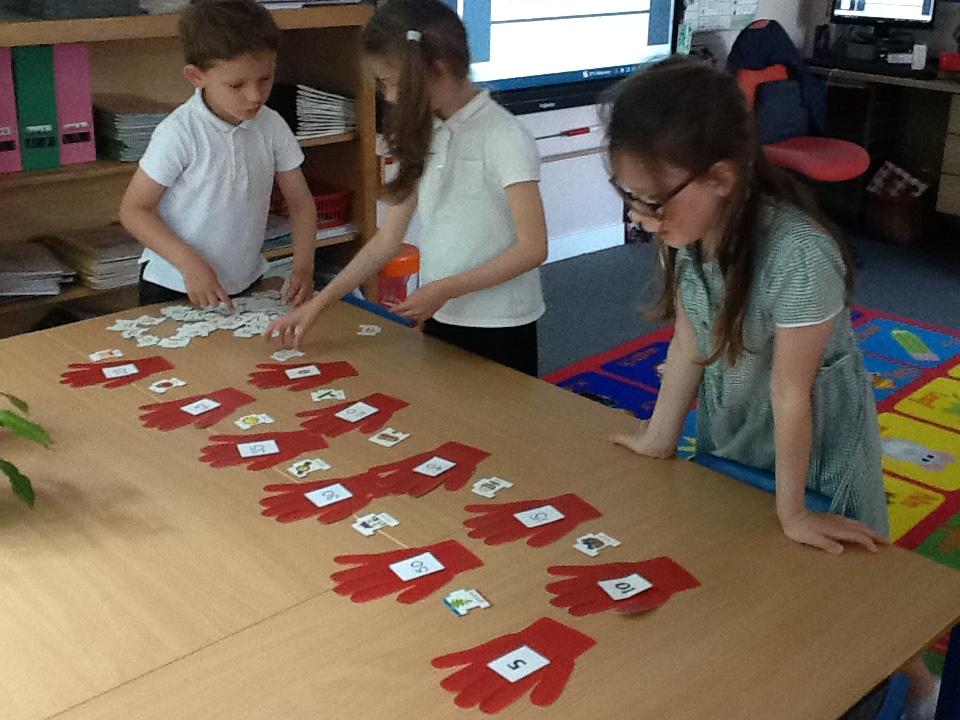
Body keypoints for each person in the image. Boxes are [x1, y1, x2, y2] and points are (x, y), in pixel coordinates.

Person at [605, 56, 939, 718]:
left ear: (721, 177)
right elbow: (691, 338)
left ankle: (923, 688)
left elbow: (793, 393)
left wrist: (793, 510)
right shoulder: (688, 226)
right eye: (629, 197)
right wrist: (659, 439)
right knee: (751, 560)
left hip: (819, 444)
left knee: (854, 582)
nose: (641, 218)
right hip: (739, 418)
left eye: (652, 201)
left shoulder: (800, 255)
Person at [264, 0, 548, 376]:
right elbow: (386, 239)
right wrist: (319, 304)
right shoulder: (424, 132)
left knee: (499, 413)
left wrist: (444, 288)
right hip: (442, 312)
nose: (390, 97)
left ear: (438, 69)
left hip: (501, 322)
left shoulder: (505, 136)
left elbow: (533, 248)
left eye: (392, 83)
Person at [120, 0, 317, 310]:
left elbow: (301, 202)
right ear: (196, 76)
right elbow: (134, 210)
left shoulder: (272, 126)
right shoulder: (179, 132)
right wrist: (189, 263)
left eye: (265, 79)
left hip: (244, 280)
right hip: (175, 282)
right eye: (236, 85)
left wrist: (303, 267)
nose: (255, 96)